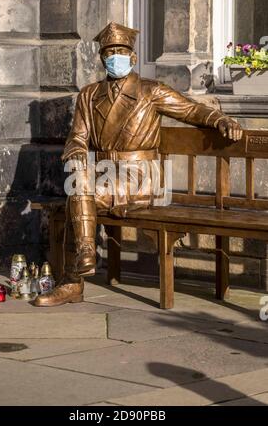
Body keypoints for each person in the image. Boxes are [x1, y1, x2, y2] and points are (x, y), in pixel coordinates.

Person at [34, 22, 242, 307]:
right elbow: (77, 138)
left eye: (120, 51)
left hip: (140, 175)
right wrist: (77, 155)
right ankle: (83, 259)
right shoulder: (89, 95)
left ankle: (74, 278)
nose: (114, 56)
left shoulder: (150, 91)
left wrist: (220, 119)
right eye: (109, 52)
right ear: (101, 58)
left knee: (80, 191)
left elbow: (190, 109)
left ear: (132, 58)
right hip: (103, 174)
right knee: (78, 183)